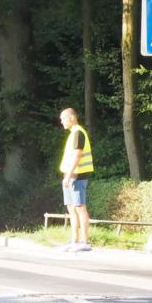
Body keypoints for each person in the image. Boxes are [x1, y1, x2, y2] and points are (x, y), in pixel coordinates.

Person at [59, 108, 93, 252]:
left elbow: (77, 155)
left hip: (77, 176)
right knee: (71, 208)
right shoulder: (73, 133)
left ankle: (84, 241)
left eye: (63, 119)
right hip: (70, 176)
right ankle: (74, 240)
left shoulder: (78, 132)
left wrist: (68, 175)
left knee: (80, 207)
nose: (61, 122)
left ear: (72, 118)